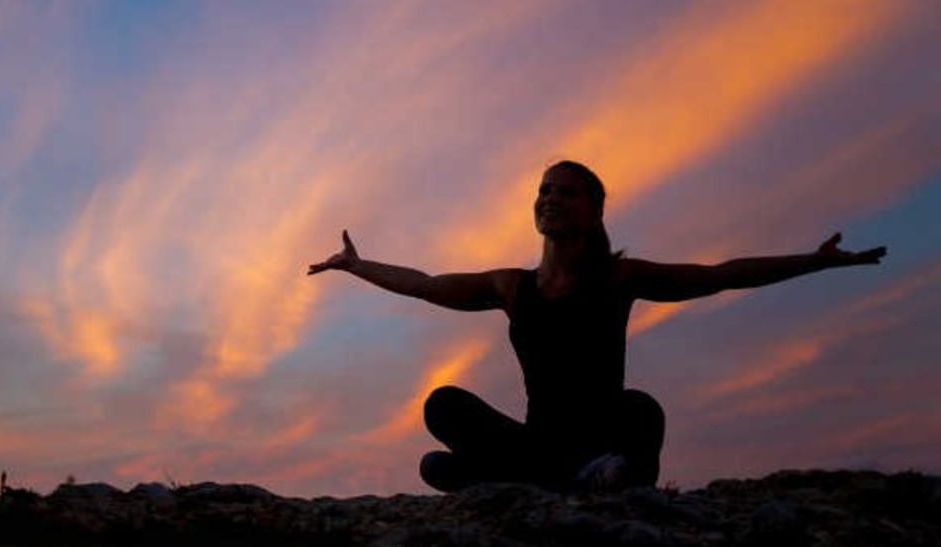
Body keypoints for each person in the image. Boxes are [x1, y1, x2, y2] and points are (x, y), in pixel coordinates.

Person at [307, 160, 887, 493]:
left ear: (593, 210)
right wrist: (357, 267)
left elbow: (722, 276)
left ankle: (537, 480)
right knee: (443, 405)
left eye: (565, 191)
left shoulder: (620, 276)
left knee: (642, 409)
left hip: (604, 440)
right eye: (543, 190)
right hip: (541, 443)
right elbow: (427, 284)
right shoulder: (512, 286)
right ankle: (561, 480)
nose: (549, 198)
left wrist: (814, 261)